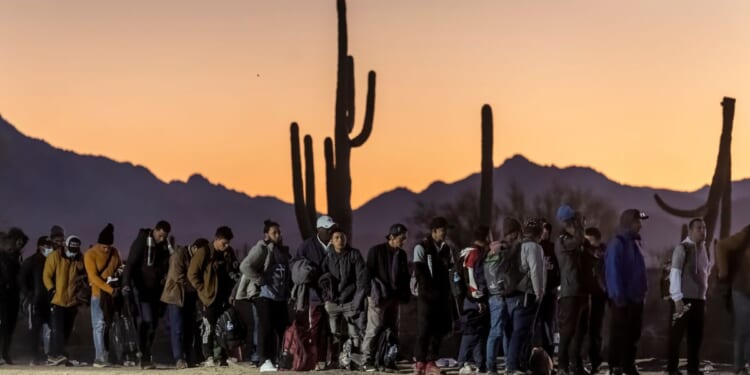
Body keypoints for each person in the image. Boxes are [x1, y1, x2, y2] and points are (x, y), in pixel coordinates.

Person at [238, 220, 292, 372]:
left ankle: (277, 359)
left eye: (279, 232)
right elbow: (245, 266)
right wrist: (258, 279)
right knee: (265, 328)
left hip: (279, 296)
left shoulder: (282, 251)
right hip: (264, 295)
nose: (278, 235)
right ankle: (263, 360)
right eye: (274, 232)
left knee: (281, 328)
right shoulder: (262, 248)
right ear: (266, 235)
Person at [122, 220, 172, 369]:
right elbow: (130, 263)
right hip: (141, 289)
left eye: (165, 237)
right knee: (147, 321)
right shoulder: (142, 242)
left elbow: (165, 266)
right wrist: (126, 284)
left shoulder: (163, 246)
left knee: (154, 324)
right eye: (160, 235)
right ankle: (143, 355)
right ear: (155, 230)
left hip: (156, 291)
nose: (162, 239)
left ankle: (146, 353)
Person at [362, 223, 411, 372]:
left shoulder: (401, 254)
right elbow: (367, 272)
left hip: (394, 298)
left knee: (393, 330)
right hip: (378, 296)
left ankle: (388, 358)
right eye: (401, 238)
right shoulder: (376, 251)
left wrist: (405, 295)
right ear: (392, 237)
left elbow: (404, 277)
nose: (403, 242)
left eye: (405, 239)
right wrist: (369, 292)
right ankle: (367, 359)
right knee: (374, 328)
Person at [605, 209, 649, 375]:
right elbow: (613, 271)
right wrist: (618, 296)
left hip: (636, 297)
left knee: (633, 333)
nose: (641, 225)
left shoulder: (635, 242)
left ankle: (628, 364)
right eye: (638, 222)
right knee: (619, 332)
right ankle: (615, 365)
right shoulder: (618, 243)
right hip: (623, 298)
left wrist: (643, 290)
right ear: (630, 223)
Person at [292, 216, 337, 370]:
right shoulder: (306, 246)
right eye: (328, 229)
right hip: (314, 295)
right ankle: (314, 360)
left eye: (332, 228)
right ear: (319, 229)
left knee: (332, 329)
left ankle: (331, 359)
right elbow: (295, 265)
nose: (331, 231)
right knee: (315, 328)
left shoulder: (336, 243)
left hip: (333, 295)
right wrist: (306, 272)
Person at [188, 226, 237, 367]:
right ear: (216, 239)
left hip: (224, 297)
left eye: (228, 243)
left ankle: (222, 356)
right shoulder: (204, 252)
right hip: (208, 297)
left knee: (223, 327)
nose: (226, 246)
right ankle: (208, 356)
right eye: (224, 243)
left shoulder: (228, 253)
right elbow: (192, 273)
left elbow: (232, 271)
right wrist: (202, 289)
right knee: (208, 328)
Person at [667, 218, 710, 375]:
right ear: (690, 231)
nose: (702, 231)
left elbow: (705, 273)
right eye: (699, 228)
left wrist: (704, 295)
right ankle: (672, 369)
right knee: (676, 336)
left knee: (696, 337)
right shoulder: (682, 248)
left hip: (699, 300)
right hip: (683, 299)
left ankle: (693, 369)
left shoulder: (704, 249)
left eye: (704, 228)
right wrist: (677, 298)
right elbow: (675, 272)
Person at [320, 227, 368, 369]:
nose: (340, 240)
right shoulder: (327, 257)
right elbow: (321, 279)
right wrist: (326, 297)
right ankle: (334, 360)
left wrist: (358, 299)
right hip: (333, 302)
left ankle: (355, 360)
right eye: (337, 238)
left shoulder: (354, 254)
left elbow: (361, 277)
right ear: (331, 241)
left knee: (355, 333)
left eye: (343, 237)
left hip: (350, 300)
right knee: (334, 332)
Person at [413, 217, 454, 375]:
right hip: (426, 297)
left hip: (442, 297)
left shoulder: (447, 249)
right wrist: (431, 291)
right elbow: (420, 273)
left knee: (439, 330)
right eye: (443, 230)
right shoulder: (422, 247)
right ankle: (419, 362)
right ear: (434, 231)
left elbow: (451, 271)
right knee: (424, 329)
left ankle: (431, 361)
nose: (445, 233)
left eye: (446, 230)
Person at [554, 205, 590, 375]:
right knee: (568, 332)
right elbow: (577, 241)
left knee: (581, 332)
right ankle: (562, 366)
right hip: (570, 292)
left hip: (581, 291)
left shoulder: (576, 240)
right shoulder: (562, 241)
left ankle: (576, 365)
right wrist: (580, 227)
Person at [485, 217, 522, 375]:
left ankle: (507, 365)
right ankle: (491, 367)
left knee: (506, 332)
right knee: (497, 332)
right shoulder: (504, 249)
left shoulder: (495, 249)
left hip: (498, 295)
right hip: (500, 296)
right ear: (512, 233)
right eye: (517, 233)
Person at [84, 223, 123, 368]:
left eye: (108, 247)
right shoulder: (90, 254)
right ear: (98, 243)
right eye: (103, 247)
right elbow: (93, 277)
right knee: (98, 325)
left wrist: (119, 272)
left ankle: (109, 356)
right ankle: (99, 357)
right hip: (98, 293)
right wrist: (110, 289)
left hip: (112, 294)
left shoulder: (115, 252)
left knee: (110, 325)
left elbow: (120, 266)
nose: (106, 249)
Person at [44, 235, 86, 366]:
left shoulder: (79, 258)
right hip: (57, 300)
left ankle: (58, 355)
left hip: (72, 302)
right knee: (58, 330)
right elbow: (46, 275)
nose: (73, 252)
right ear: (66, 246)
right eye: (71, 249)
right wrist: (51, 290)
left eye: (76, 249)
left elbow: (83, 275)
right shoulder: (55, 256)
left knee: (67, 330)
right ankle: (54, 355)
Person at [716, 223, 750, 374]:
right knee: (743, 329)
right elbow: (721, 246)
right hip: (742, 288)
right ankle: (739, 367)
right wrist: (723, 274)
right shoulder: (747, 234)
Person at [457, 226, 491, 375]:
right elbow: (471, 277)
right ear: (485, 237)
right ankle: (462, 362)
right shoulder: (475, 254)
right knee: (471, 332)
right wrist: (477, 298)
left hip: (467, 298)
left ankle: (479, 363)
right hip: (473, 299)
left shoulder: (466, 252)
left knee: (478, 332)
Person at [161, 239, 199, 369]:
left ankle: (188, 356)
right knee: (177, 328)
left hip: (189, 295)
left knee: (189, 327)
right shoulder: (178, 255)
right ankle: (179, 358)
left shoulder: (195, 257)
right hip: (175, 296)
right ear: (194, 247)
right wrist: (197, 286)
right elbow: (178, 277)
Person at [20, 236, 55, 365]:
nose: (50, 248)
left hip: (51, 300)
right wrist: (29, 294)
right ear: (40, 246)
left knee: (53, 329)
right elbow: (22, 279)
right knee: (35, 329)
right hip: (36, 301)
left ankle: (51, 356)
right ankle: (33, 357)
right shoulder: (31, 261)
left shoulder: (52, 260)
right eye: (47, 246)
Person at [0, 228, 29, 365]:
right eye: (19, 241)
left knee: (10, 326)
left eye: (22, 242)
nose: (20, 244)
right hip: (2, 295)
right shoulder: (2, 255)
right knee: (3, 325)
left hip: (13, 295)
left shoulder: (17, 257)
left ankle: (5, 354)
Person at [581, 227, 607, 374]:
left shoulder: (604, 254)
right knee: (582, 330)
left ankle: (595, 362)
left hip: (599, 296)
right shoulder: (583, 253)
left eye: (588, 240)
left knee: (596, 330)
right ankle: (582, 360)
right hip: (585, 295)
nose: (586, 243)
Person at [539, 220, 560, 359]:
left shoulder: (553, 248)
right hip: (536, 292)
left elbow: (559, 268)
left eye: (547, 231)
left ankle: (549, 355)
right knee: (534, 325)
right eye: (543, 231)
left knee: (549, 324)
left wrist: (556, 285)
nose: (545, 233)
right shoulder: (534, 247)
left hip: (550, 292)